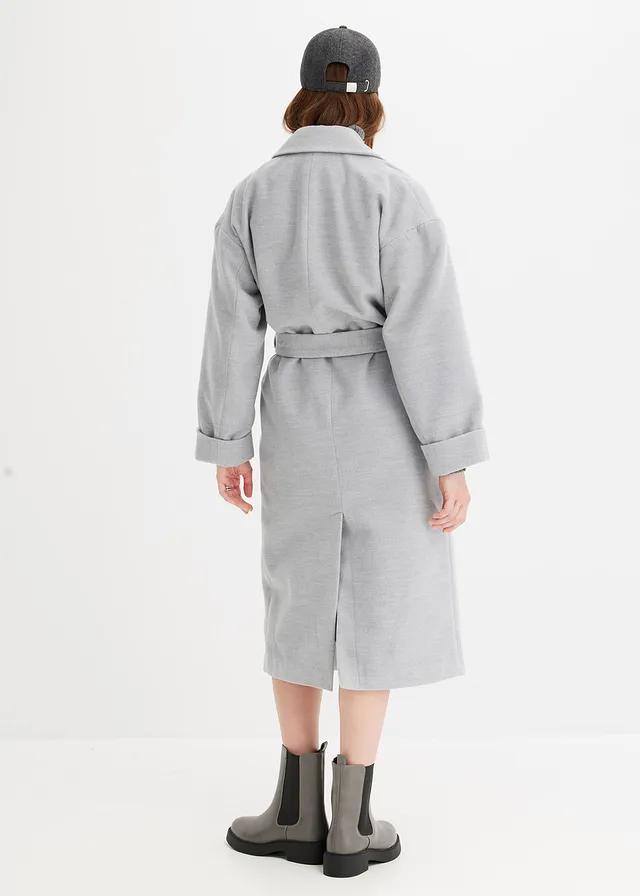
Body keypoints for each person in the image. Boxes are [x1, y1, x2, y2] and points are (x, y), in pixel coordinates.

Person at [195, 25, 489, 878]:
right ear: (372, 101)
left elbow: (231, 330)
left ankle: (295, 812)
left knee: (296, 597)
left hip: (292, 407)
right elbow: (428, 331)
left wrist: (229, 441)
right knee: (376, 605)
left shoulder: (252, 195)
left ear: (301, 96)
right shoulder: (396, 194)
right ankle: (354, 822)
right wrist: (449, 453)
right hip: (383, 415)